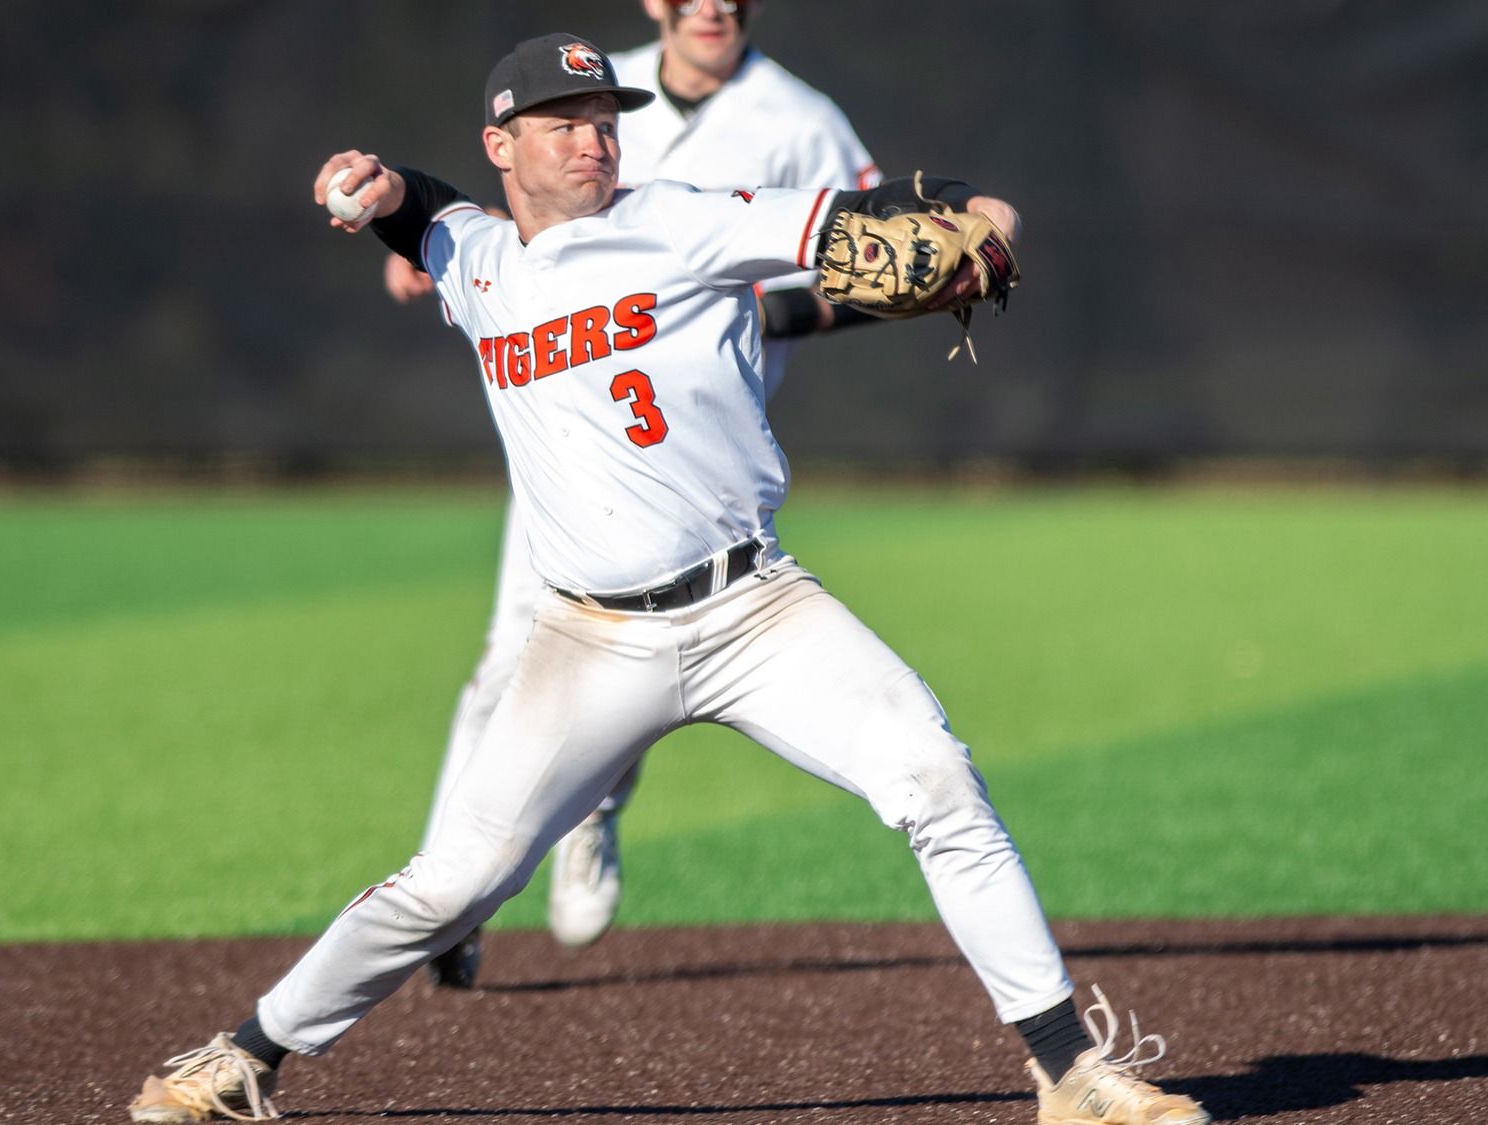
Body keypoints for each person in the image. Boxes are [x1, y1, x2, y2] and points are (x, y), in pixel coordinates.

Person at [125, 33, 1210, 1125]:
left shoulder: (686, 217)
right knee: (453, 883)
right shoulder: (476, 261)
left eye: (603, 115)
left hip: (757, 610)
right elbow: (429, 210)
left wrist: (979, 210)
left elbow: (871, 211)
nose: (593, 136)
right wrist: (370, 184)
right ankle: (244, 1058)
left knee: (935, 779)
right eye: (562, 120)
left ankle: (1070, 1072)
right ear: (503, 143)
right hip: (586, 642)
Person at [390, 0, 887, 985]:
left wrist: (760, 301)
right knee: (505, 663)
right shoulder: (586, 92)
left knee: (642, 665)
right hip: (566, 445)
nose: (712, 6)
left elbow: (875, 258)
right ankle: (448, 907)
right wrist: (435, 256)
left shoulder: (800, 118)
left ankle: (591, 810)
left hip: (692, 453)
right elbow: (516, 233)